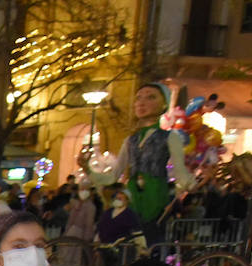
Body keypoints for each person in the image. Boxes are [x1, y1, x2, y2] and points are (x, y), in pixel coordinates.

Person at [81, 83, 196, 247]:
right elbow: (113, 176)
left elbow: (180, 172)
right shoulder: (130, 140)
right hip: (132, 200)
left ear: (164, 104)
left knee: (151, 246)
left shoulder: (170, 137)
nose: (142, 103)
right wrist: (88, 169)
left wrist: (189, 184)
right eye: (138, 98)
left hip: (156, 199)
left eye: (151, 97)